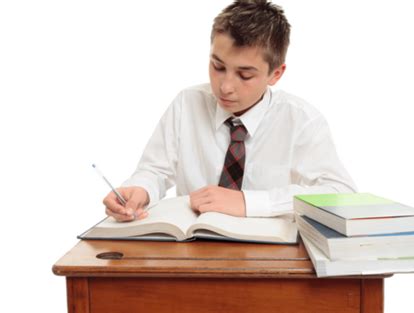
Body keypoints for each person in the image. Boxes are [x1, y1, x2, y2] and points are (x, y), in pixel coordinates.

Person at [103, 0, 356, 222]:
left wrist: (249, 202)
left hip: (270, 259)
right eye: (218, 66)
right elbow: (155, 170)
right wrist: (139, 190)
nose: (225, 87)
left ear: (275, 74)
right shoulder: (186, 104)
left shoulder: (301, 121)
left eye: (244, 75)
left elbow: (341, 194)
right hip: (194, 250)